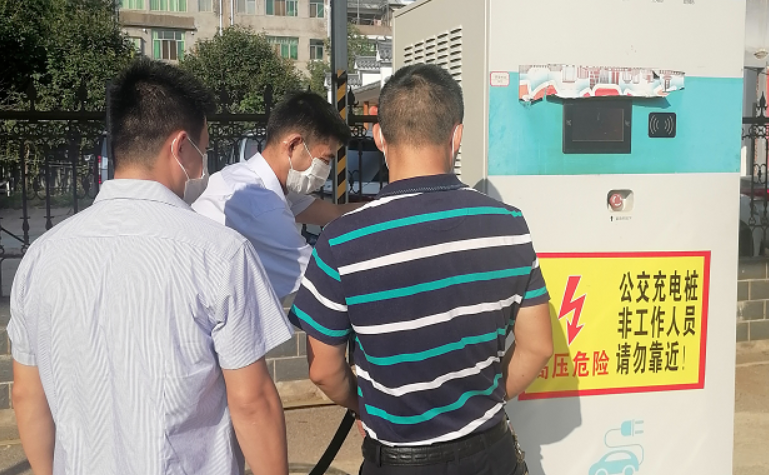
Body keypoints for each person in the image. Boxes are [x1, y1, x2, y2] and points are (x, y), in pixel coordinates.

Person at [8, 58, 293, 475]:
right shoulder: (221, 253)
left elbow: (26, 395)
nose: (204, 167)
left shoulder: (41, 256)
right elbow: (252, 402)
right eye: (203, 152)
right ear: (180, 147)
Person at [289, 64, 554, 475]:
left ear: (379, 136)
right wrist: (485, 402)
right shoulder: (509, 225)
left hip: (398, 463)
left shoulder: (342, 240)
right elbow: (538, 347)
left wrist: (366, 407)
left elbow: (323, 370)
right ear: (456, 136)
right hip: (492, 455)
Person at [192, 92, 357, 302]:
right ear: (293, 145)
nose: (327, 169)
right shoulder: (261, 204)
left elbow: (335, 213)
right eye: (325, 159)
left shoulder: (252, 180)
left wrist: (389, 205)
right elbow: (324, 279)